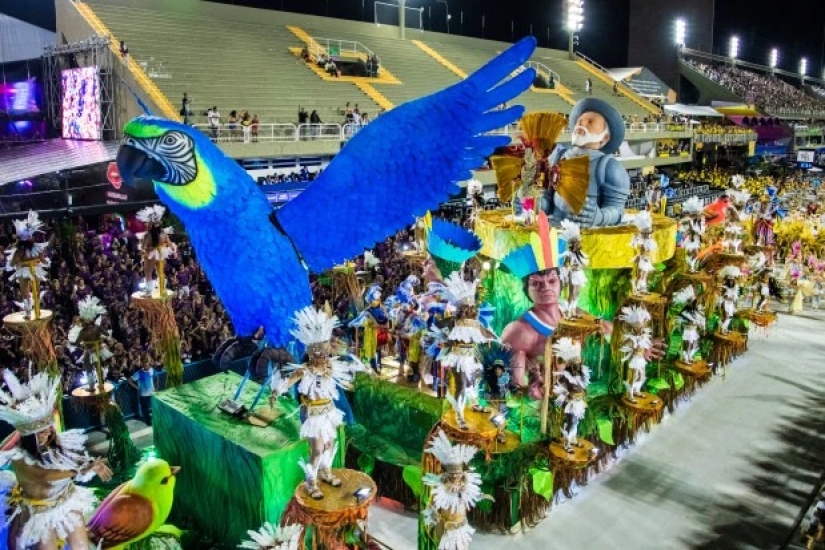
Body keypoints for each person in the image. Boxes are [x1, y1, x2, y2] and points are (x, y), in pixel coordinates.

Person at [0, 371, 113, 550]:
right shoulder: (19, 457)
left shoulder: (58, 443)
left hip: (67, 503)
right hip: (40, 514)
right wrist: (77, 472)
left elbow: (77, 461)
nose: (47, 433)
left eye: (48, 428)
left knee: (82, 547)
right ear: (28, 436)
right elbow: (43, 476)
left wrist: (89, 465)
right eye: (40, 432)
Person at [270, 307, 363, 500]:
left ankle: (325, 472)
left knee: (329, 443)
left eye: (325, 352)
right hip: (312, 414)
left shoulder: (331, 367)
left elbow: (347, 371)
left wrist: (362, 368)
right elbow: (288, 382)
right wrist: (276, 391)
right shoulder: (304, 371)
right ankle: (310, 482)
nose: (323, 356)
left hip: (328, 411)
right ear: (312, 354)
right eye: (319, 353)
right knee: (317, 449)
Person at [544, 98, 631, 227]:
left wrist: (599, 217)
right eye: (579, 121)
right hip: (554, 230)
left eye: (590, 122)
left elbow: (617, 211)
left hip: (587, 236)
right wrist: (534, 203)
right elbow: (549, 200)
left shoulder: (610, 167)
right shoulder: (558, 157)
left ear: (604, 138)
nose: (581, 124)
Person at [129, 360, 155, 426]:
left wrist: (156, 387)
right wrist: (137, 387)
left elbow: (156, 377)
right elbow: (129, 380)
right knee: (145, 409)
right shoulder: (139, 373)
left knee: (154, 407)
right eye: (146, 365)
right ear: (143, 366)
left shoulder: (151, 370)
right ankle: (149, 422)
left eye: (148, 365)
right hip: (144, 395)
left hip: (152, 393)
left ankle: (155, 419)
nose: (148, 367)